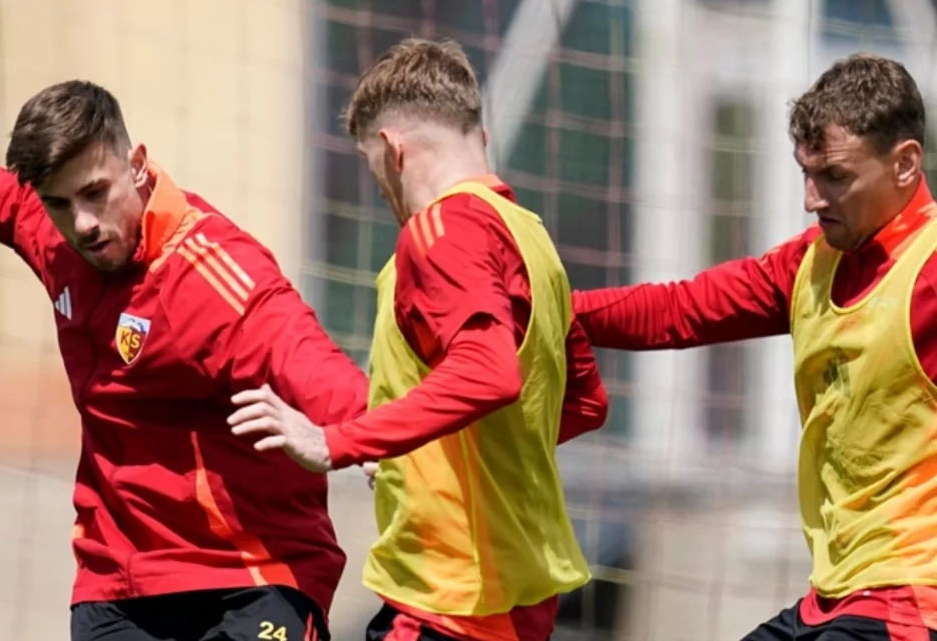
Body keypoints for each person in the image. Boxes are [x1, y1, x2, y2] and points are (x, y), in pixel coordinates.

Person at [0, 82, 367, 641]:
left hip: (251, 572)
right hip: (119, 582)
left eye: (96, 193)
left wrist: (371, 438)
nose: (82, 224)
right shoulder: (61, 239)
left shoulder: (214, 275)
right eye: (58, 203)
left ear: (138, 165)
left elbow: (313, 365)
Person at [228, 38, 610, 641]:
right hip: (520, 597)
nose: (382, 189)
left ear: (391, 149)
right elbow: (584, 403)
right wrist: (417, 456)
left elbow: (488, 373)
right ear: (480, 138)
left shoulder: (440, 231)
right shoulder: (531, 238)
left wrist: (336, 441)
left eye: (372, 168)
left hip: (450, 597)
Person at [569, 52, 937, 641]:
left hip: (910, 602)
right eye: (805, 174)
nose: (812, 199)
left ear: (905, 164)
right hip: (836, 597)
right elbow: (679, 310)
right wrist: (547, 309)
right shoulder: (809, 264)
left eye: (835, 176)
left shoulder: (929, 271)